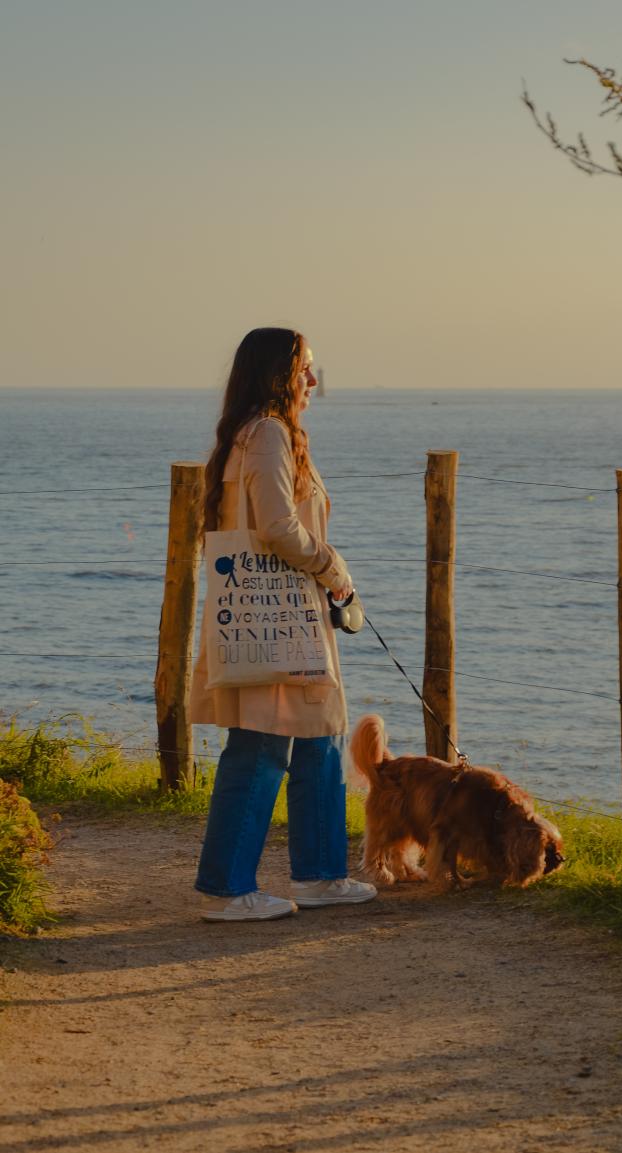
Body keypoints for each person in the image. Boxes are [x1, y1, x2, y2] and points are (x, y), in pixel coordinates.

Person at [191, 327, 376, 921]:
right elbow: (275, 526)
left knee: (319, 737)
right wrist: (333, 569)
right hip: (277, 612)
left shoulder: (248, 434)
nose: (313, 382)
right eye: (305, 370)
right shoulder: (269, 434)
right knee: (262, 744)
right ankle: (229, 890)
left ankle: (320, 875)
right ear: (279, 374)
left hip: (271, 610)